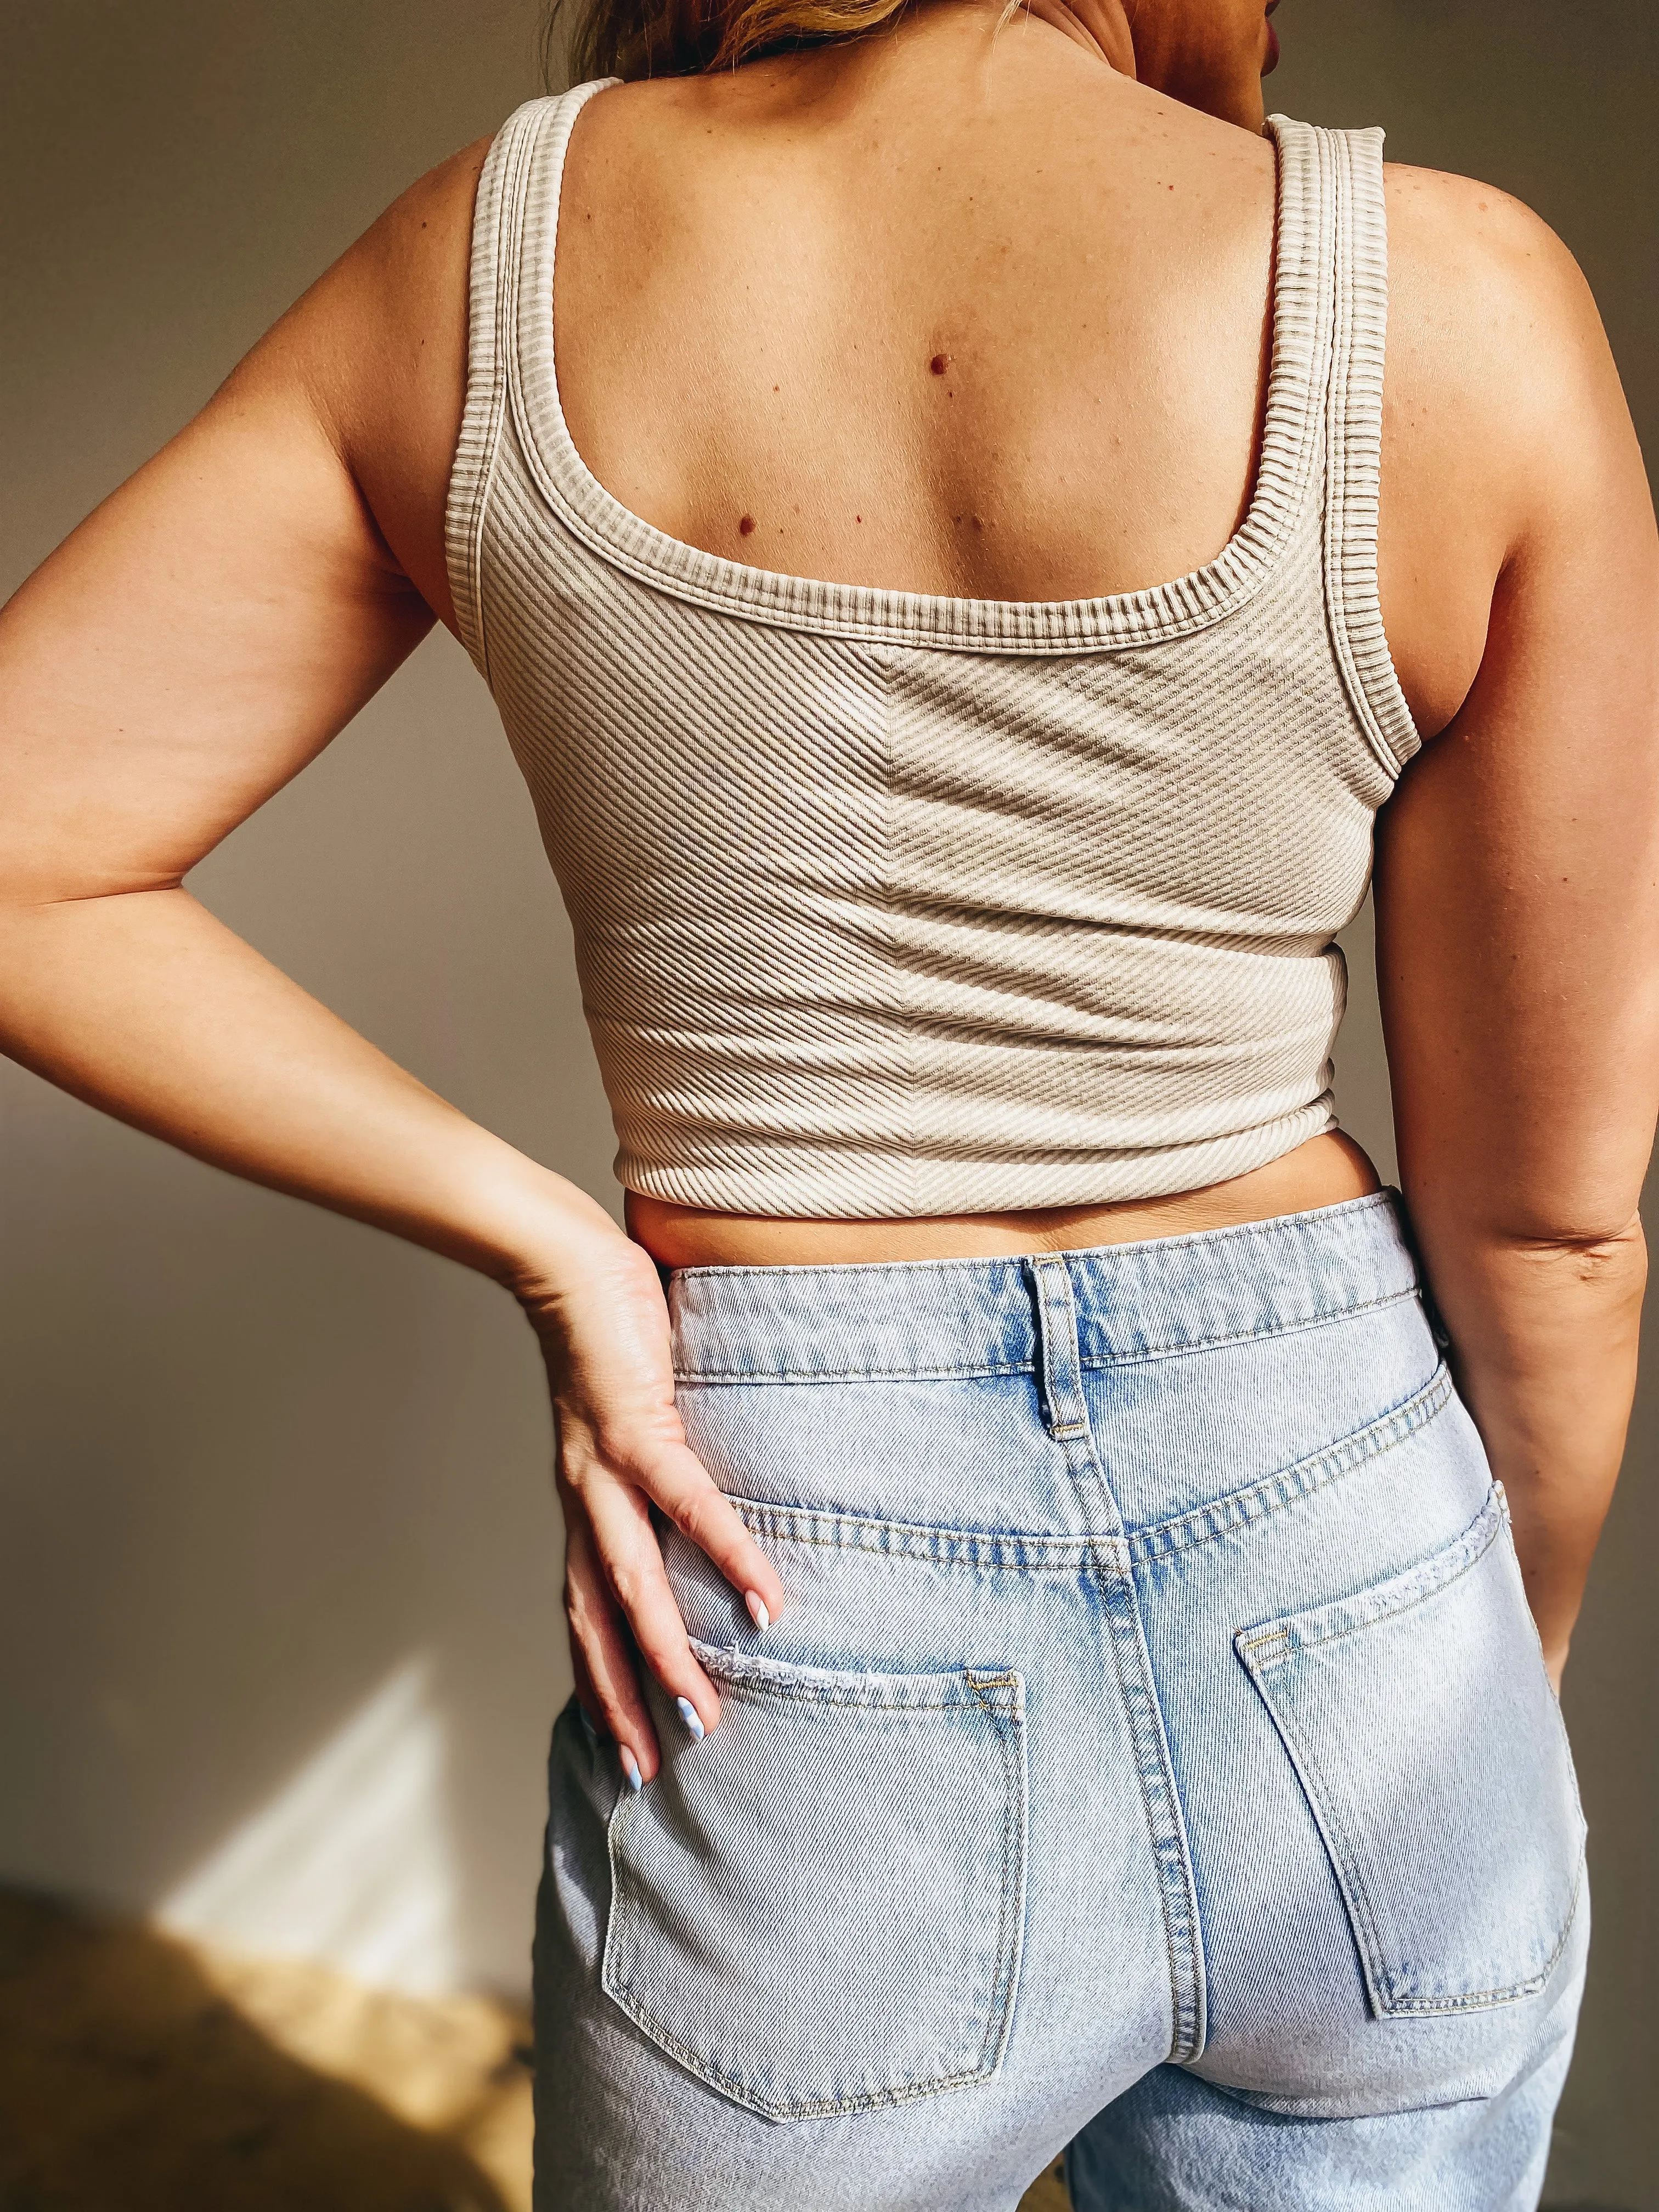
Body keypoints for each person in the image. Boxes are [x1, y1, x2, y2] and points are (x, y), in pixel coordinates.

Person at [1, 0, 1654, 2201]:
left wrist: (559, 1245)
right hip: (1355, 1548)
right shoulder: (1461, 302)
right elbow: (1552, 1229)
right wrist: (1487, 1666)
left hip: (786, 1556)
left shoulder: (497, 258)